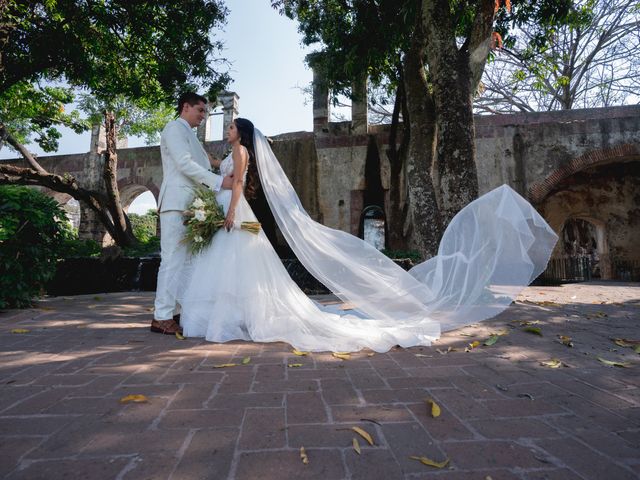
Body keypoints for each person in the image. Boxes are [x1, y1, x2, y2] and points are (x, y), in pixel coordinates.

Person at [174, 118, 558, 352]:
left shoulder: (241, 151)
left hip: (236, 211)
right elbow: (220, 172)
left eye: (228, 127)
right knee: (238, 262)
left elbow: (238, 182)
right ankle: (232, 314)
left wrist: (228, 212)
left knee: (239, 259)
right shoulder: (233, 151)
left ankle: (227, 316)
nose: (225, 131)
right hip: (233, 209)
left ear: (240, 131)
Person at [151, 92, 233, 335]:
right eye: (200, 111)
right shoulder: (174, 128)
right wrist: (220, 183)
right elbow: (184, 164)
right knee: (172, 260)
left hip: (192, 206)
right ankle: (161, 316)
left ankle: (179, 312)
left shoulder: (192, 136)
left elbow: (204, 163)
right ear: (185, 107)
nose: (203, 117)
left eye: (205, 112)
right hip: (177, 202)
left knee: (188, 263)